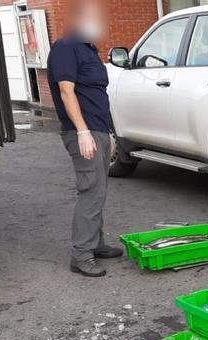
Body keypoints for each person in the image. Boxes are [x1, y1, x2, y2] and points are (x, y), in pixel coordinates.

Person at [47, 0, 122, 277]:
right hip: (83, 132)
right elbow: (67, 92)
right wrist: (82, 131)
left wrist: (109, 133)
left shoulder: (88, 49)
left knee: (98, 189)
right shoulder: (66, 48)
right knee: (91, 191)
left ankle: (96, 243)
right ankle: (81, 254)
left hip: (98, 130)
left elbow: (98, 95)